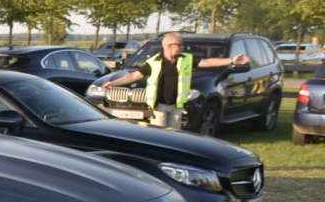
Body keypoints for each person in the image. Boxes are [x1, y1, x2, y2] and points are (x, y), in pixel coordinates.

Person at [100, 32, 249, 130]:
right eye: (179, 44)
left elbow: (207, 62)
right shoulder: (154, 61)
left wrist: (231, 60)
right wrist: (114, 83)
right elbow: (133, 76)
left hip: (176, 106)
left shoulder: (186, 59)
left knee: (173, 136)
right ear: (168, 46)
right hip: (159, 106)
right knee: (158, 136)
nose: (182, 47)